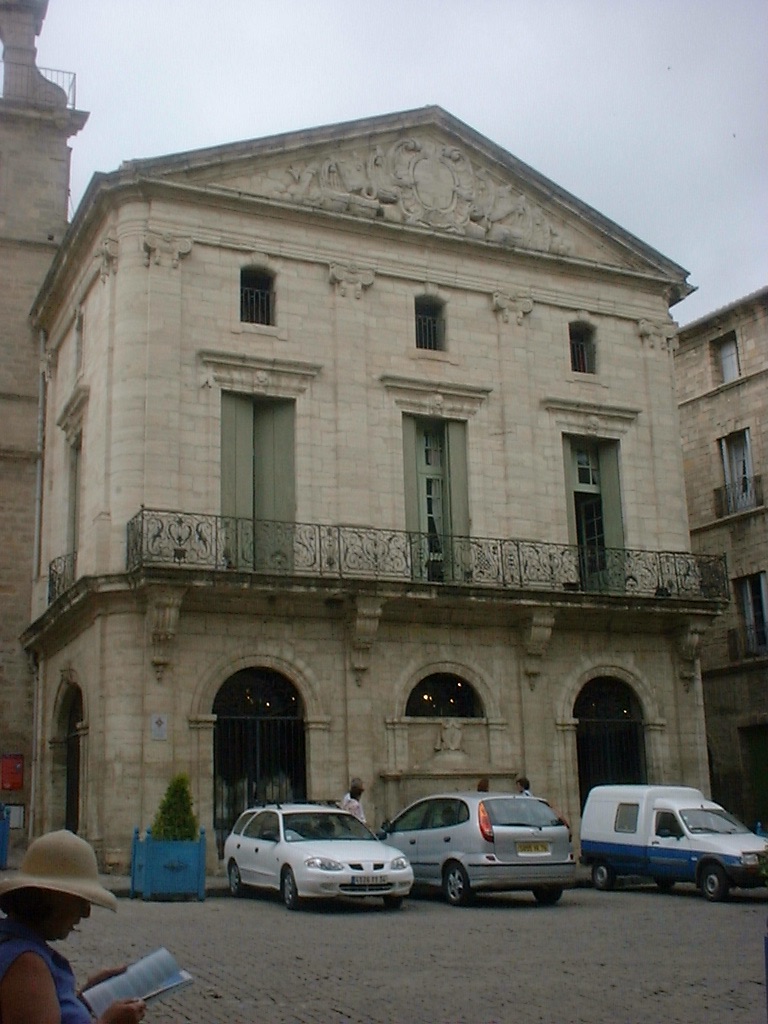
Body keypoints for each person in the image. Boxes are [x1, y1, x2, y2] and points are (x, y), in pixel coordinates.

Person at [0, 829, 146, 1024]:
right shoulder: (26, 963)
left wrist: (83, 999)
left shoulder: (15, 943)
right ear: (49, 896)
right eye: (79, 900)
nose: (86, 912)